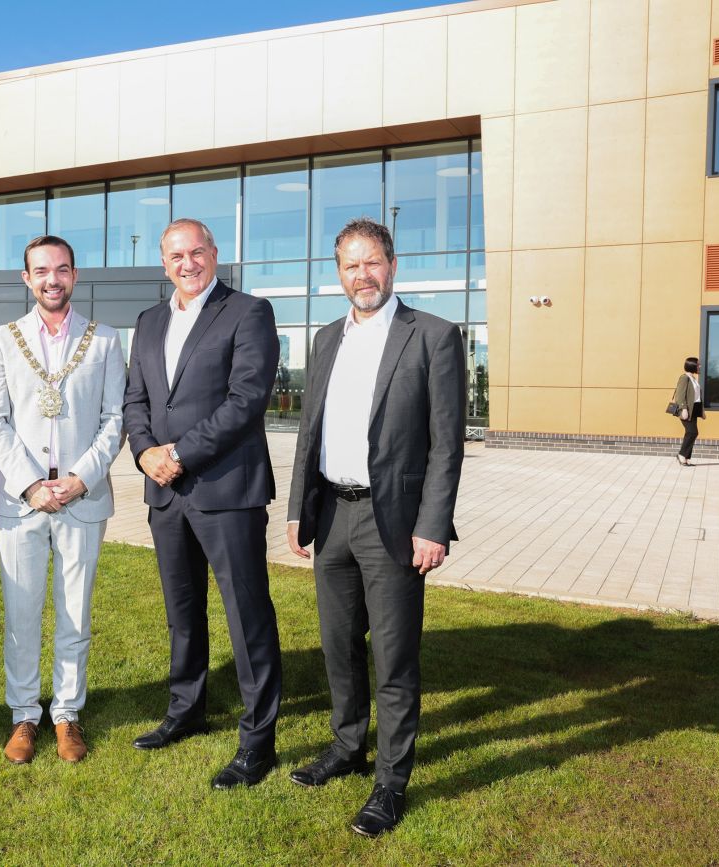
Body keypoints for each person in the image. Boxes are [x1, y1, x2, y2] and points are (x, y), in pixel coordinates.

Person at [286, 217, 465, 837]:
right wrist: (296, 509)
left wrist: (432, 525)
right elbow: (311, 429)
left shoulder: (434, 337)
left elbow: (447, 444)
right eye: (349, 265)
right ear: (338, 274)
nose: (362, 275)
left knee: (392, 658)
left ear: (392, 264)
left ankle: (390, 782)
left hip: (394, 522)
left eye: (372, 262)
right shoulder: (326, 338)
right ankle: (346, 746)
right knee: (338, 647)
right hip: (332, 514)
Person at [123, 218, 283, 790]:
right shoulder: (147, 322)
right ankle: (186, 710)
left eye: (196, 252)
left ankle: (257, 739)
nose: (187, 264)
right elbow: (135, 399)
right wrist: (145, 454)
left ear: (214, 254)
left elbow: (246, 400)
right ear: (163, 263)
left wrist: (180, 455)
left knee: (247, 615)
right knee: (182, 613)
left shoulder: (248, 312)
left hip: (226, 490)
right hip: (164, 493)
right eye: (175, 255)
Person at [0, 236, 126, 765]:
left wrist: (81, 478)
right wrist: (30, 484)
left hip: (83, 500)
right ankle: (24, 715)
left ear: (75, 275)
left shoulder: (106, 340)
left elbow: (115, 419)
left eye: (62, 269)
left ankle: (67, 714)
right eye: (41, 270)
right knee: (22, 614)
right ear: (26, 278)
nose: (52, 279)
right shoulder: (2, 338)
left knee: (75, 614)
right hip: (20, 502)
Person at [674, 357, 704, 466]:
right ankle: (681, 454)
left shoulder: (693, 379)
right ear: (692, 365)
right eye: (698, 365)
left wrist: (701, 411)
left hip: (694, 410)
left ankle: (686, 457)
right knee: (693, 432)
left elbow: (696, 397)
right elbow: (680, 395)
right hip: (687, 410)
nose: (700, 366)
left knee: (690, 432)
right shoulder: (684, 378)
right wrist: (684, 409)